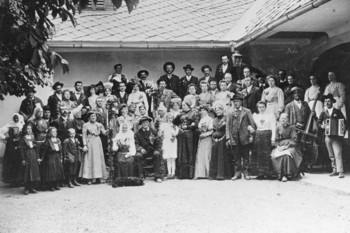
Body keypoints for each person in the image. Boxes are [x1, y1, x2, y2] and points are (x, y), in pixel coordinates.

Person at [226, 94, 256, 181]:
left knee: (246, 156)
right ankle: (237, 173)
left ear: (241, 102)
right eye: (234, 101)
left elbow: (252, 125)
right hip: (234, 138)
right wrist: (228, 138)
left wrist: (251, 135)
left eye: (237, 101)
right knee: (236, 156)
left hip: (245, 137)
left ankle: (246, 173)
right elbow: (227, 126)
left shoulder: (247, 111)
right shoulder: (230, 112)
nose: (236, 103)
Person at [317, 94, 346, 178]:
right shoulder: (323, 112)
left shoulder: (337, 111)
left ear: (332, 102)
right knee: (331, 154)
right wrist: (322, 126)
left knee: (337, 153)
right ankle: (334, 170)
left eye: (329, 101)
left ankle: (340, 171)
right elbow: (318, 122)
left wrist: (342, 130)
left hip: (336, 136)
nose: (327, 103)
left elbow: (344, 122)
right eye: (326, 101)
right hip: (327, 136)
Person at [271, 113, 303, 182]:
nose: (283, 120)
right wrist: (278, 147)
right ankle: (279, 174)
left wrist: (286, 146)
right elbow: (276, 140)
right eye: (282, 118)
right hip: (280, 146)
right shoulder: (278, 128)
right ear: (279, 119)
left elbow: (294, 140)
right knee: (274, 155)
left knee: (286, 155)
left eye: (285, 118)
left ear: (287, 119)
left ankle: (287, 174)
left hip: (290, 146)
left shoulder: (292, 128)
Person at [173, 99, 200, 179]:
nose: (183, 106)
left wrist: (188, 126)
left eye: (184, 105)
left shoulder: (193, 113)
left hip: (190, 134)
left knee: (190, 152)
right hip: (181, 134)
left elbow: (197, 123)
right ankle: (182, 174)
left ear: (188, 105)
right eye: (182, 105)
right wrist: (179, 127)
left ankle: (190, 174)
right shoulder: (180, 113)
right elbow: (174, 122)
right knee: (182, 152)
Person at [79, 111, 108, 184]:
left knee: (97, 159)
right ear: (89, 117)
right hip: (90, 142)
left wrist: (108, 130)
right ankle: (89, 178)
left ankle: (98, 177)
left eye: (94, 116)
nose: (93, 118)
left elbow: (104, 133)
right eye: (91, 116)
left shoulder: (99, 124)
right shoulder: (86, 125)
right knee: (90, 159)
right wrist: (85, 145)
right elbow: (84, 135)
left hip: (97, 142)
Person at [111, 123, 143, 188]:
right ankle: (120, 181)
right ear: (121, 128)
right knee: (120, 161)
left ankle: (130, 180)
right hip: (120, 153)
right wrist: (115, 144)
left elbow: (132, 146)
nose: (124, 129)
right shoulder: (118, 135)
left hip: (128, 153)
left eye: (126, 128)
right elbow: (115, 148)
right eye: (123, 128)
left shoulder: (130, 135)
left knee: (130, 161)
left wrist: (130, 153)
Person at [134, 116, 165, 182]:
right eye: (143, 122)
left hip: (152, 150)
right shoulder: (138, 133)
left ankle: (157, 176)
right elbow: (136, 143)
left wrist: (157, 149)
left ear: (149, 123)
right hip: (143, 151)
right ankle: (141, 176)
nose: (145, 124)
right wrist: (140, 149)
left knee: (157, 154)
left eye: (147, 122)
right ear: (141, 124)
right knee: (138, 156)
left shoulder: (154, 131)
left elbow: (158, 142)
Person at [251, 101, 276, 179]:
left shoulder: (270, 115)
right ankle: (260, 173)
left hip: (267, 135)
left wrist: (273, 139)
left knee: (267, 154)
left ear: (265, 107)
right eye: (259, 107)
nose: (261, 109)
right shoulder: (255, 116)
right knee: (259, 155)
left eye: (262, 107)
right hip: (258, 135)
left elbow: (273, 127)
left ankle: (269, 173)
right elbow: (253, 126)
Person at [209, 101, 231, 180]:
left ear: (222, 110)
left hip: (223, 139)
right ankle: (214, 175)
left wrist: (223, 138)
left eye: (219, 110)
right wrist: (214, 138)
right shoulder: (214, 120)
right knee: (215, 156)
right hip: (215, 140)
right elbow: (214, 130)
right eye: (216, 110)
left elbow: (227, 129)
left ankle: (222, 175)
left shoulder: (225, 118)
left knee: (222, 156)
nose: (218, 111)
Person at [0, 113, 25, 184]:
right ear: (12, 119)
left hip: (20, 146)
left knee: (19, 162)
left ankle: (19, 180)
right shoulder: (8, 126)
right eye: (15, 118)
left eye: (17, 118)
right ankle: (12, 180)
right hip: (11, 146)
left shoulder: (21, 126)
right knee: (11, 162)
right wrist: (5, 138)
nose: (16, 120)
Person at [20, 123, 41, 195]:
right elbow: (21, 150)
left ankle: (32, 187)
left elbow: (36, 148)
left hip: (33, 155)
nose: (29, 130)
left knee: (34, 172)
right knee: (27, 172)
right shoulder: (23, 138)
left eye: (30, 129)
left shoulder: (33, 137)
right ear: (25, 130)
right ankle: (26, 188)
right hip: (27, 155)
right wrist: (23, 159)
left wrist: (38, 157)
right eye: (27, 129)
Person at [194, 105, 213, 179]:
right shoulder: (201, 119)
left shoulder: (210, 119)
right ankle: (200, 174)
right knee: (200, 155)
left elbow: (212, 130)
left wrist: (205, 135)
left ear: (207, 111)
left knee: (207, 154)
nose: (202, 112)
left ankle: (208, 173)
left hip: (207, 138)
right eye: (201, 110)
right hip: (201, 139)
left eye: (204, 110)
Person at [159, 113, 179, 179]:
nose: (170, 119)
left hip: (172, 142)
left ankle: (173, 173)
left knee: (173, 158)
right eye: (169, 118)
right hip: (167, 141)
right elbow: (160, 131)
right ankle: (169, 173)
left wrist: (174, 135)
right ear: (167, 118)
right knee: (168, 158)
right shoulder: (164, 125)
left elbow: (176, 132)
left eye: (171, 118)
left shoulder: (175, 126)